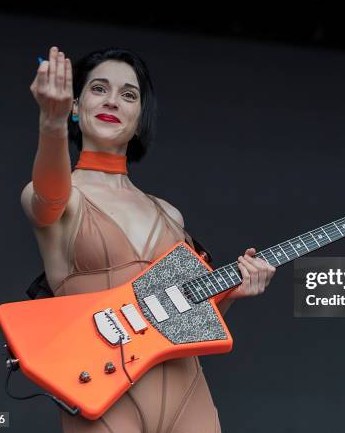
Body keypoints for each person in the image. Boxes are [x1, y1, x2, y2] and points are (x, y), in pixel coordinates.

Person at [21, 46, 276, 432]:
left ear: (141, 119)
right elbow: (48, 197)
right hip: (103, 392)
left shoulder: (169, 214)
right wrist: (50, 124)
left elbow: (182, 318)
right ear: (75, 105)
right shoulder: (60, 195)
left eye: (128, 95)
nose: (112, 101)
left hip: (188, 392)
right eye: (98, 89)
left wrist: (232, 294)